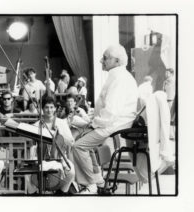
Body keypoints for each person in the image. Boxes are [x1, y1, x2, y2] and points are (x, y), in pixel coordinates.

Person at [71, 45, 139, 194]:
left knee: (78, 147)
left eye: (105, 58)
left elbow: (112, 111)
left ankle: (90, 185)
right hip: (112, 122)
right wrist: (92, 120)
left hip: (113, 124)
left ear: (116, 60)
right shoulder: (118, 75)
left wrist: (94, 123)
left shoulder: (119, 77)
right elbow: (108, 108)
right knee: (80, 139)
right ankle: (97, 180)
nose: (101, 60)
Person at [27, 96, 75, 195]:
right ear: (42, 109)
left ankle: (61, 193)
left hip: (59, 158)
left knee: (71, 172)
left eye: (52, 107)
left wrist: (60, 133)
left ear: (55, 109)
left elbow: (71, 142)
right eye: (46, 107)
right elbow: (32, 146)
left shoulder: (61, 123)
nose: (49, 110)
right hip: (41, 158)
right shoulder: (36, 125)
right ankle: (33, 194)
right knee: (26, 174)